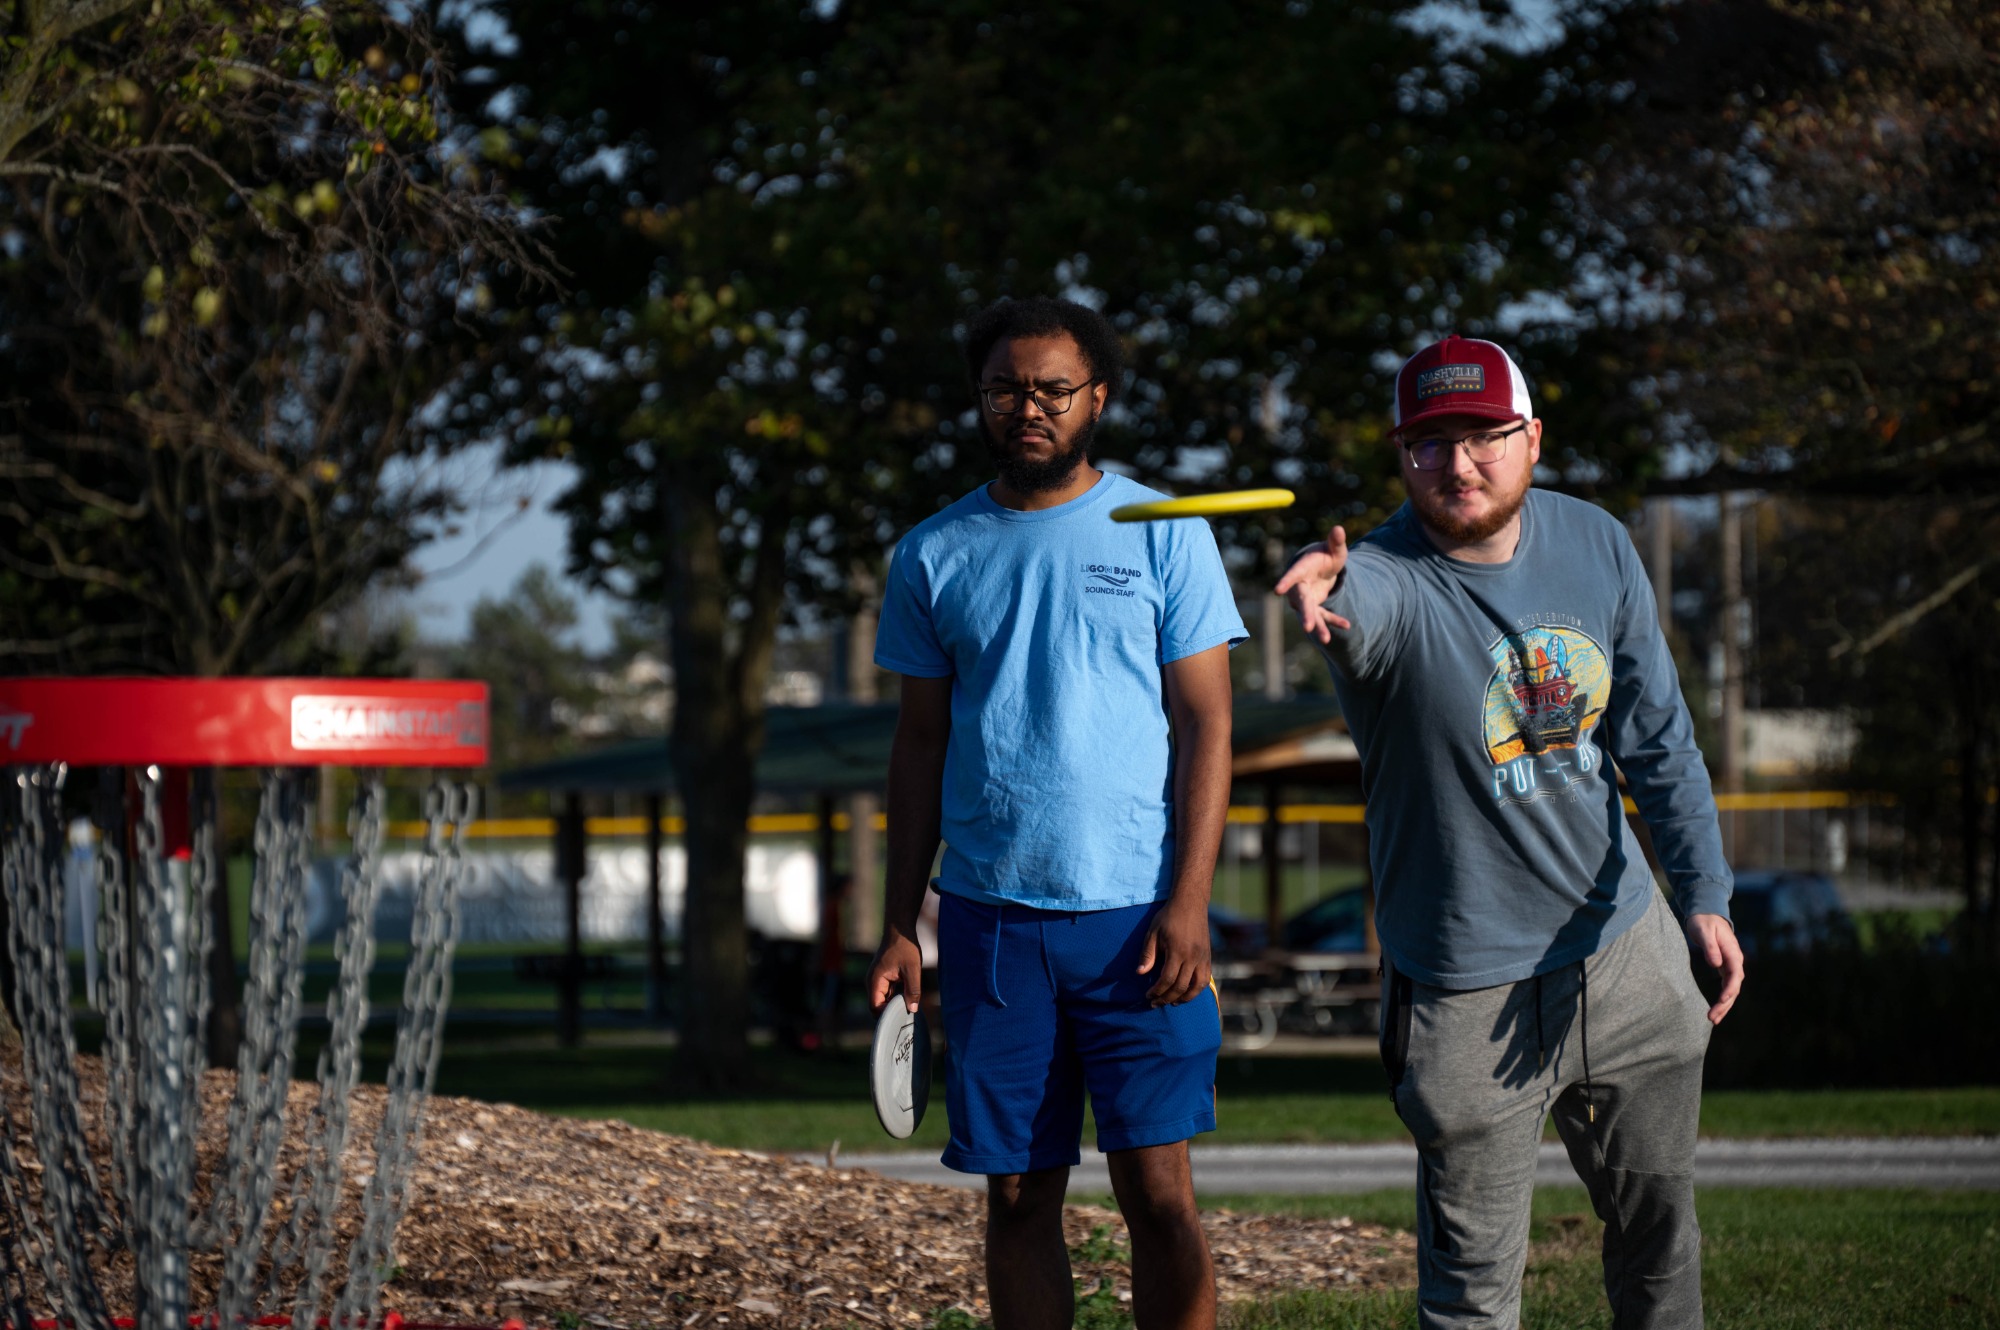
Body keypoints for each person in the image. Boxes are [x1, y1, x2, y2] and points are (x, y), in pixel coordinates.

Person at [1275, 335, 1746, 1330]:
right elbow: (1366, 611)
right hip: (1461, 990)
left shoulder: (1596, 543)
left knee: (1661, 1246)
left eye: (1483, 436)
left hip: (1625, 955)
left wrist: (1702, 896)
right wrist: (1330, 587)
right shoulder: (1389, 579)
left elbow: (1655, 736)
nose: (1456, 465)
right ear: (1400, 457)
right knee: (1471, 1300)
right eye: (1427, 444)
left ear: (1531, 437)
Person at [868, 296, 1246, 1330]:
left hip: (1139, 922)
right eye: (1003, 389)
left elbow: (1208, 727)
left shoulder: (1165, 531)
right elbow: (918, 744)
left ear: (1097, 399)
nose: (1026, 407)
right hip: (992, 925)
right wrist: (902, 923)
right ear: (978, 402)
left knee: (1157, 1194)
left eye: (1050, 389)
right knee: (1019, 1194)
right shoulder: (931, 553)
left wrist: (1189, 900)